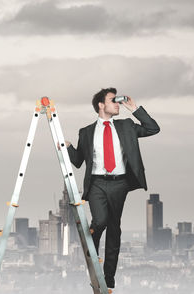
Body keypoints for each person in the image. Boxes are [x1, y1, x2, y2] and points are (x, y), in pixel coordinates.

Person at [65, 87, 160, 290]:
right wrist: (68, 147)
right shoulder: (87, 131)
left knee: (114, 229)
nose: (117, 103)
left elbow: (153, 128)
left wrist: (134, 108)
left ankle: (108, 278)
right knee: (100, 221)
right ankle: (92, 244)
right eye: (113, 100)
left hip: (120, 183)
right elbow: (79, 161)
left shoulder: (126, 126)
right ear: (101, 105)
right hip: (97, 182)